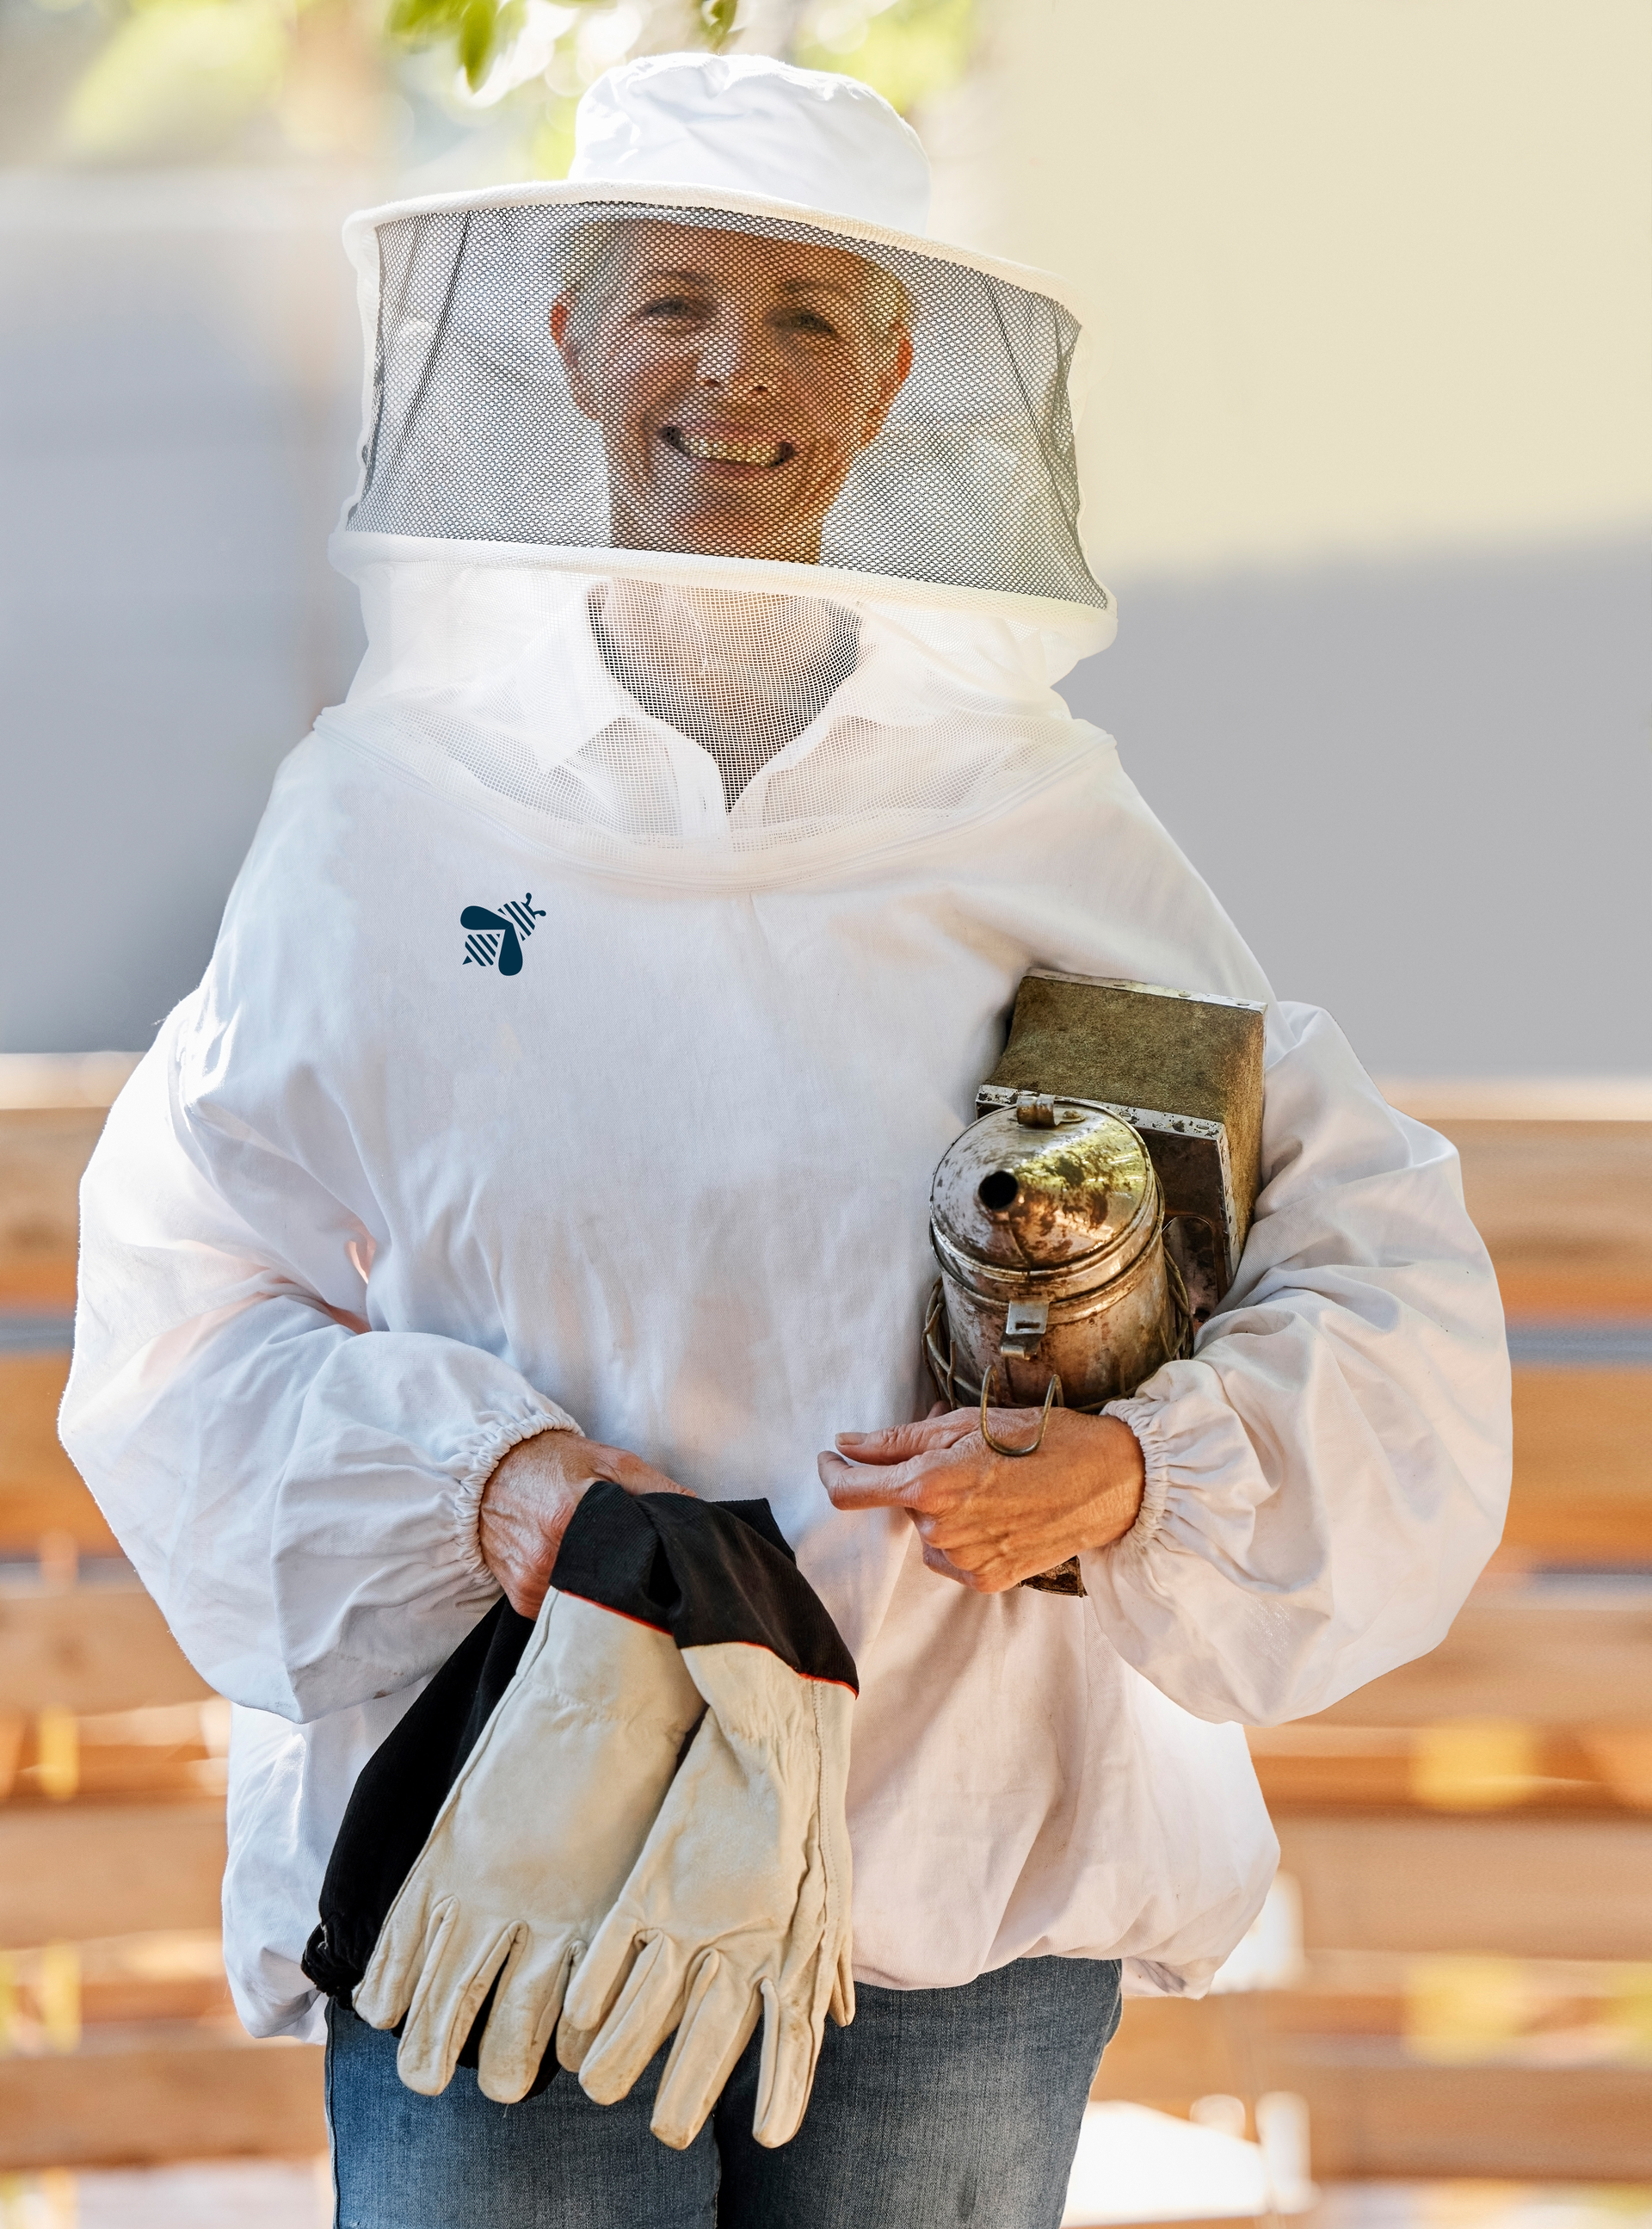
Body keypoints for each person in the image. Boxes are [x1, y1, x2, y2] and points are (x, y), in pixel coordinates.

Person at [60, 49, 1511, 2229]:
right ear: (562, 339)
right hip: (514, 1836)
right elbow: (184, 1295)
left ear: (896, 375)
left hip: (954, 1875)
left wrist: (1131, 1468)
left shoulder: (1043, 824)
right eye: (673, 300)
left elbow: (1364, 1248)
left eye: (811, 315)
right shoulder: (387, 813)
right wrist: (497, 1485)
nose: (735, 373)